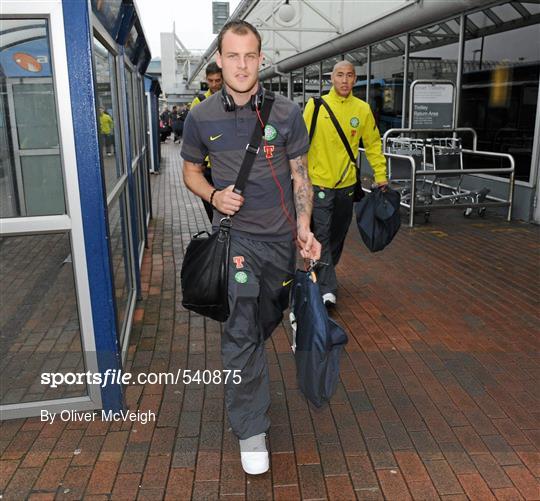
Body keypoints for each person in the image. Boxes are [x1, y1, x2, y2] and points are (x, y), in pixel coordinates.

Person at [181, 20, 321, 476]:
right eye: (233, 56)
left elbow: (301, 175)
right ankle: (250, 427)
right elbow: (189, 172)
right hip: (235, 242)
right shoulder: (200, 117)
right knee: (240, 333)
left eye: (250, 56)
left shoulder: (286, 113)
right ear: (218, 60)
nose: (242, 65)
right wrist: (214, 196)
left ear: (262, 59)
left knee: (266, 321)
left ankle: (274, 337)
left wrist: (304, 226)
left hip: (280, 242)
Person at [303, 61, 388, 307]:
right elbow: (300, 143)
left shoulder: (362, 109)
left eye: (349, 75)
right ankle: (327, 288)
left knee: (338, 234)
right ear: (332, 78)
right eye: (340, 75)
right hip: (319, 184)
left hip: (348, 186)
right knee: (322, 235)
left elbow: (372, 144)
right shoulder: (315, 106)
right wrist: (300, 178)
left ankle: (323, 270)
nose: (344, 80)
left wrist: (380, 175)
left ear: (355, 79)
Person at [190, 62, 224, 221]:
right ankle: (217, 240)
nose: (214, 84)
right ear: (206, 79)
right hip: (208, 167)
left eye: (218, 80)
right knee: (213, 211)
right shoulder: (199, 102)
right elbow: (193, 135)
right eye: (211, 81)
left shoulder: (234, 99)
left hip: (229, 165)